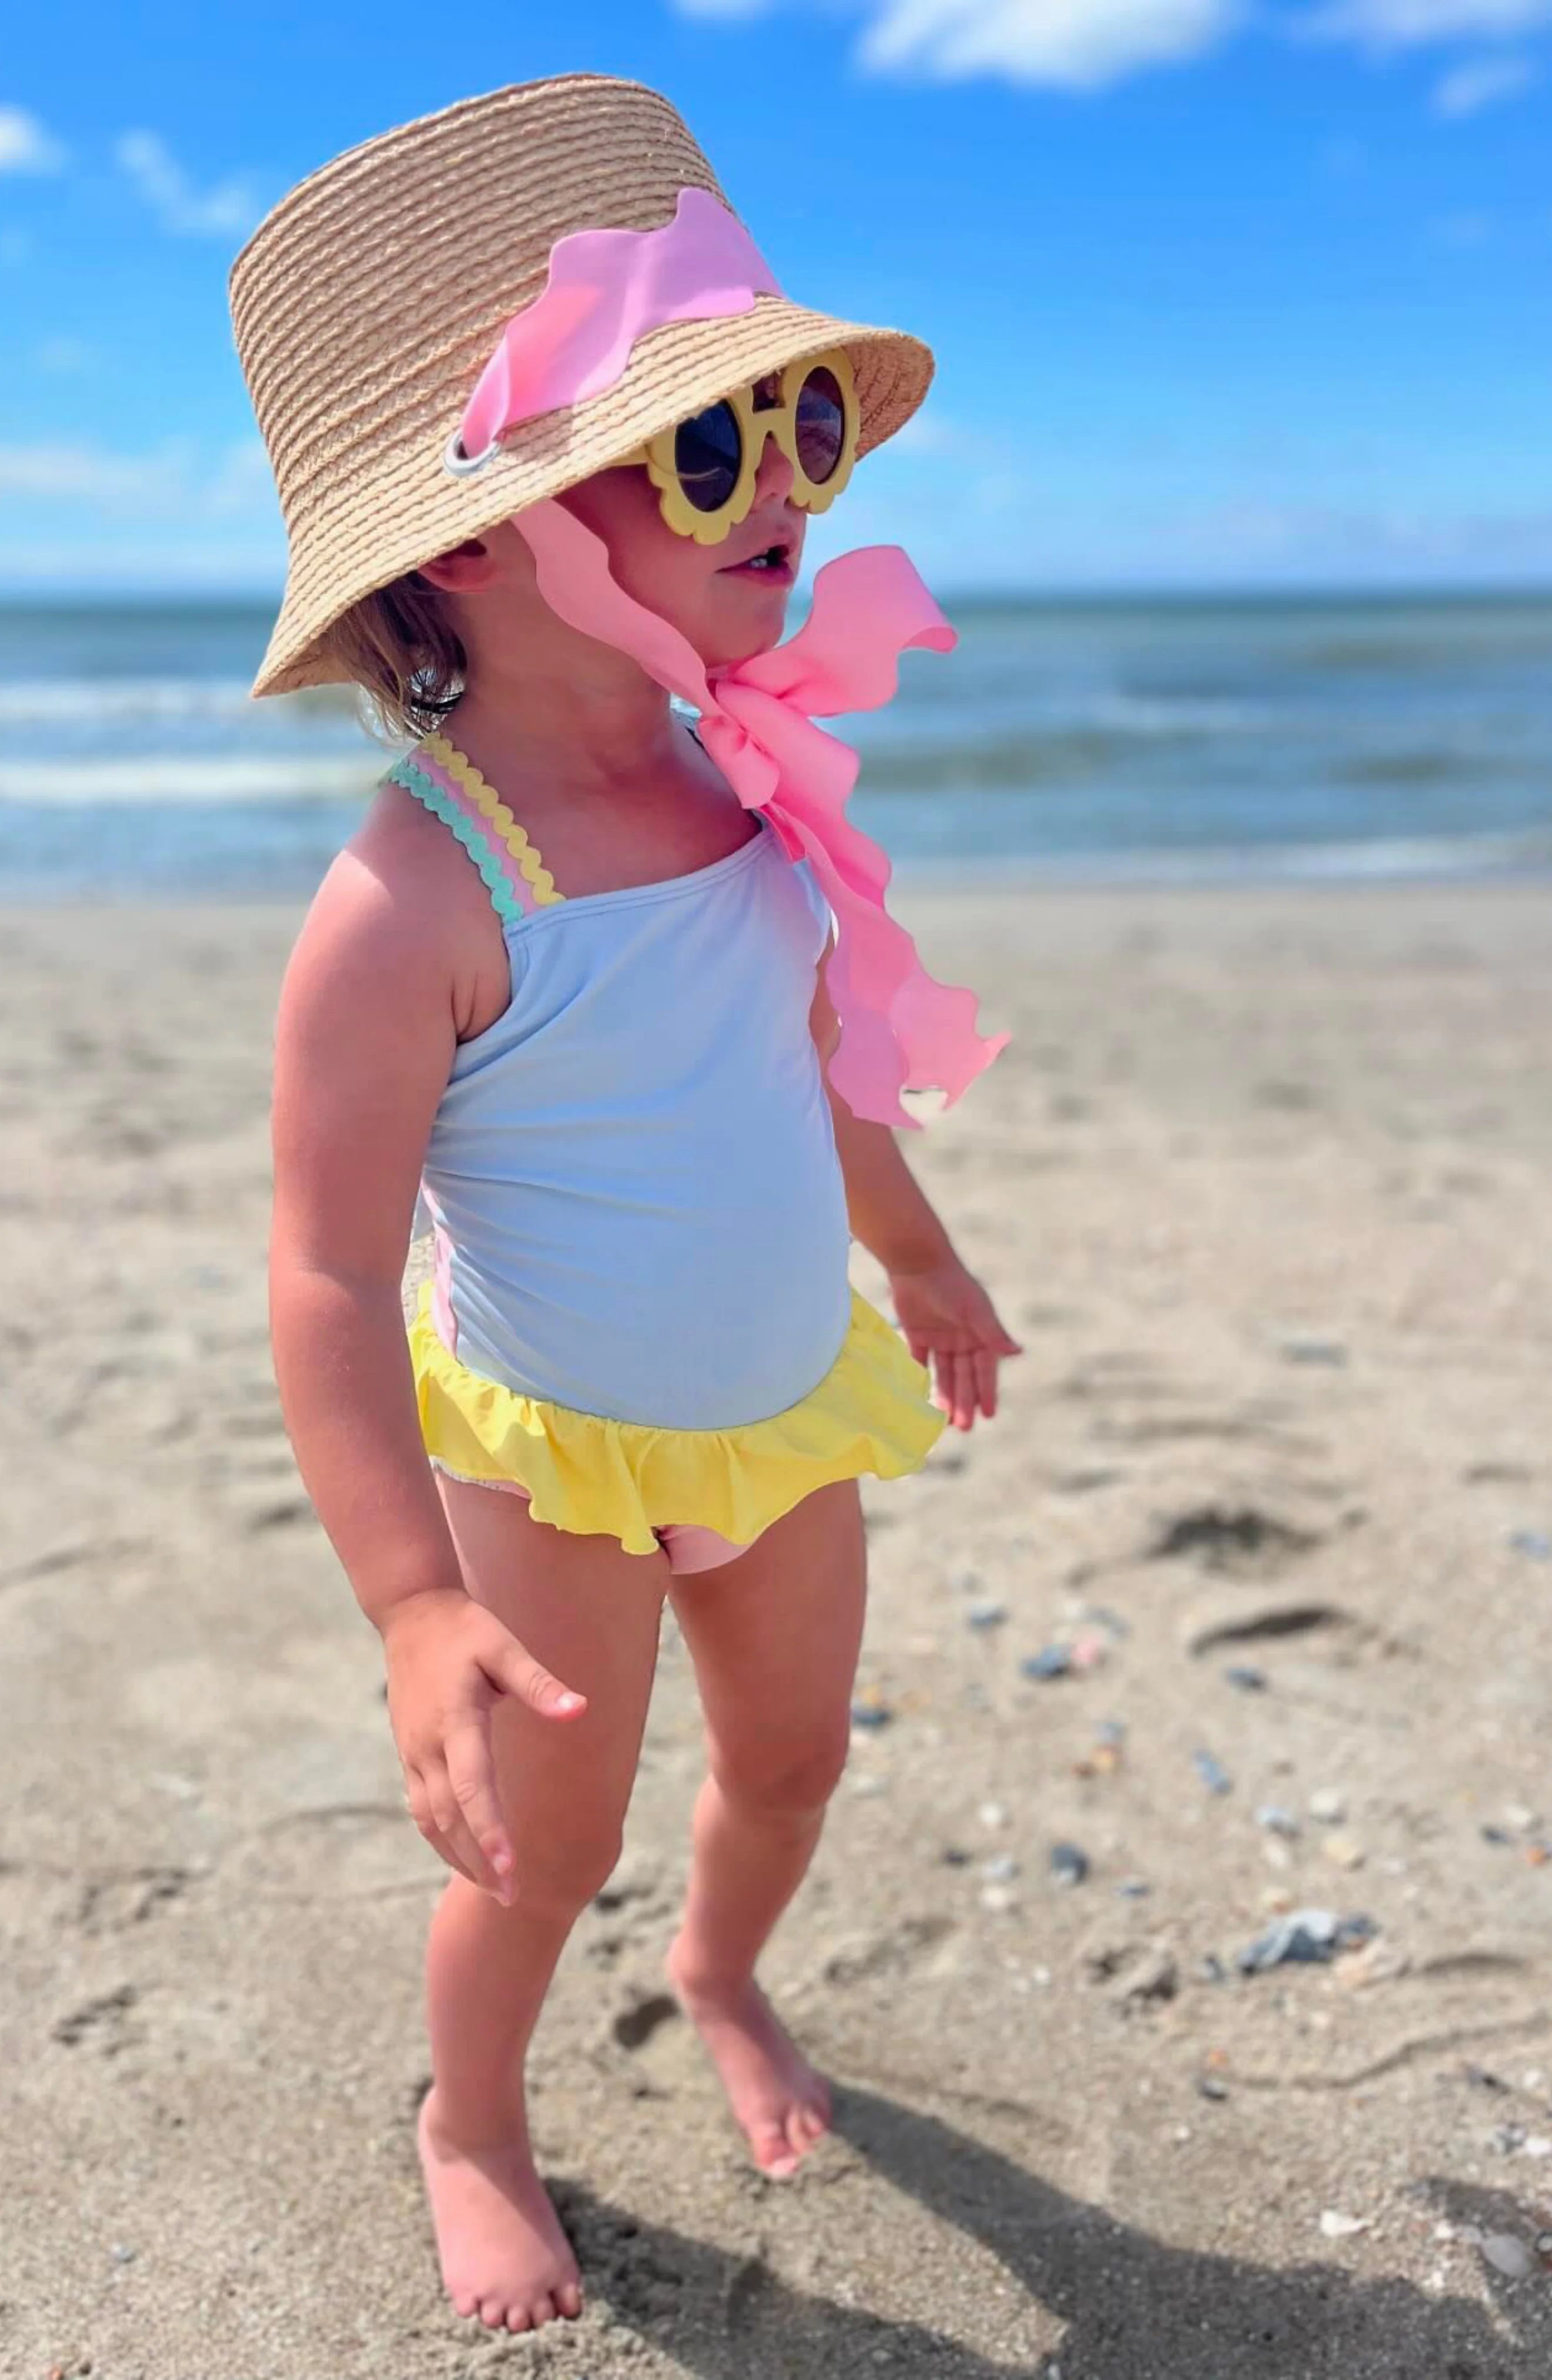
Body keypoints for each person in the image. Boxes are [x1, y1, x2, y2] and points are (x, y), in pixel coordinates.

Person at [231, 72, 1017, 2339]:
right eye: (703, 449)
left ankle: (724, 1967)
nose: (782, 488)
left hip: (780, 1390)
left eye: (795, 431)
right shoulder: (419, 900)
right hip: (555, 1445)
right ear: (475, 539)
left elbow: (802, 1056)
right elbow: (318, 1272)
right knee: (542, 1841)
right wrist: (403, 1603)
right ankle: (471, 2119)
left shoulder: (739, 768)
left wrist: (921, 1248)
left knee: (790, 1754)